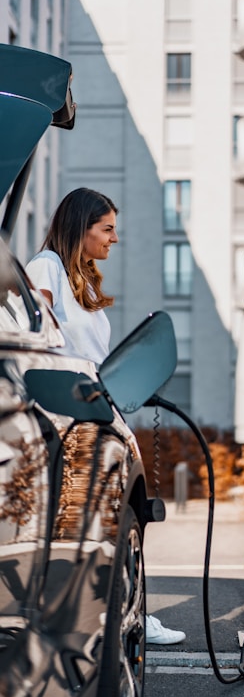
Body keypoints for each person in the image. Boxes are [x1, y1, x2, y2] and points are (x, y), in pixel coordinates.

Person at [26, 186, 186, 647]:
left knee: (120, 521)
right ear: (81, 227)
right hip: (66, 419)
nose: (115, 238)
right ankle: (99, 619)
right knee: (89, 525)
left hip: (99, 413)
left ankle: (130, 611)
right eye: (107, 228)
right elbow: (38, 338)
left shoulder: (85, 279)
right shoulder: (46, 268)